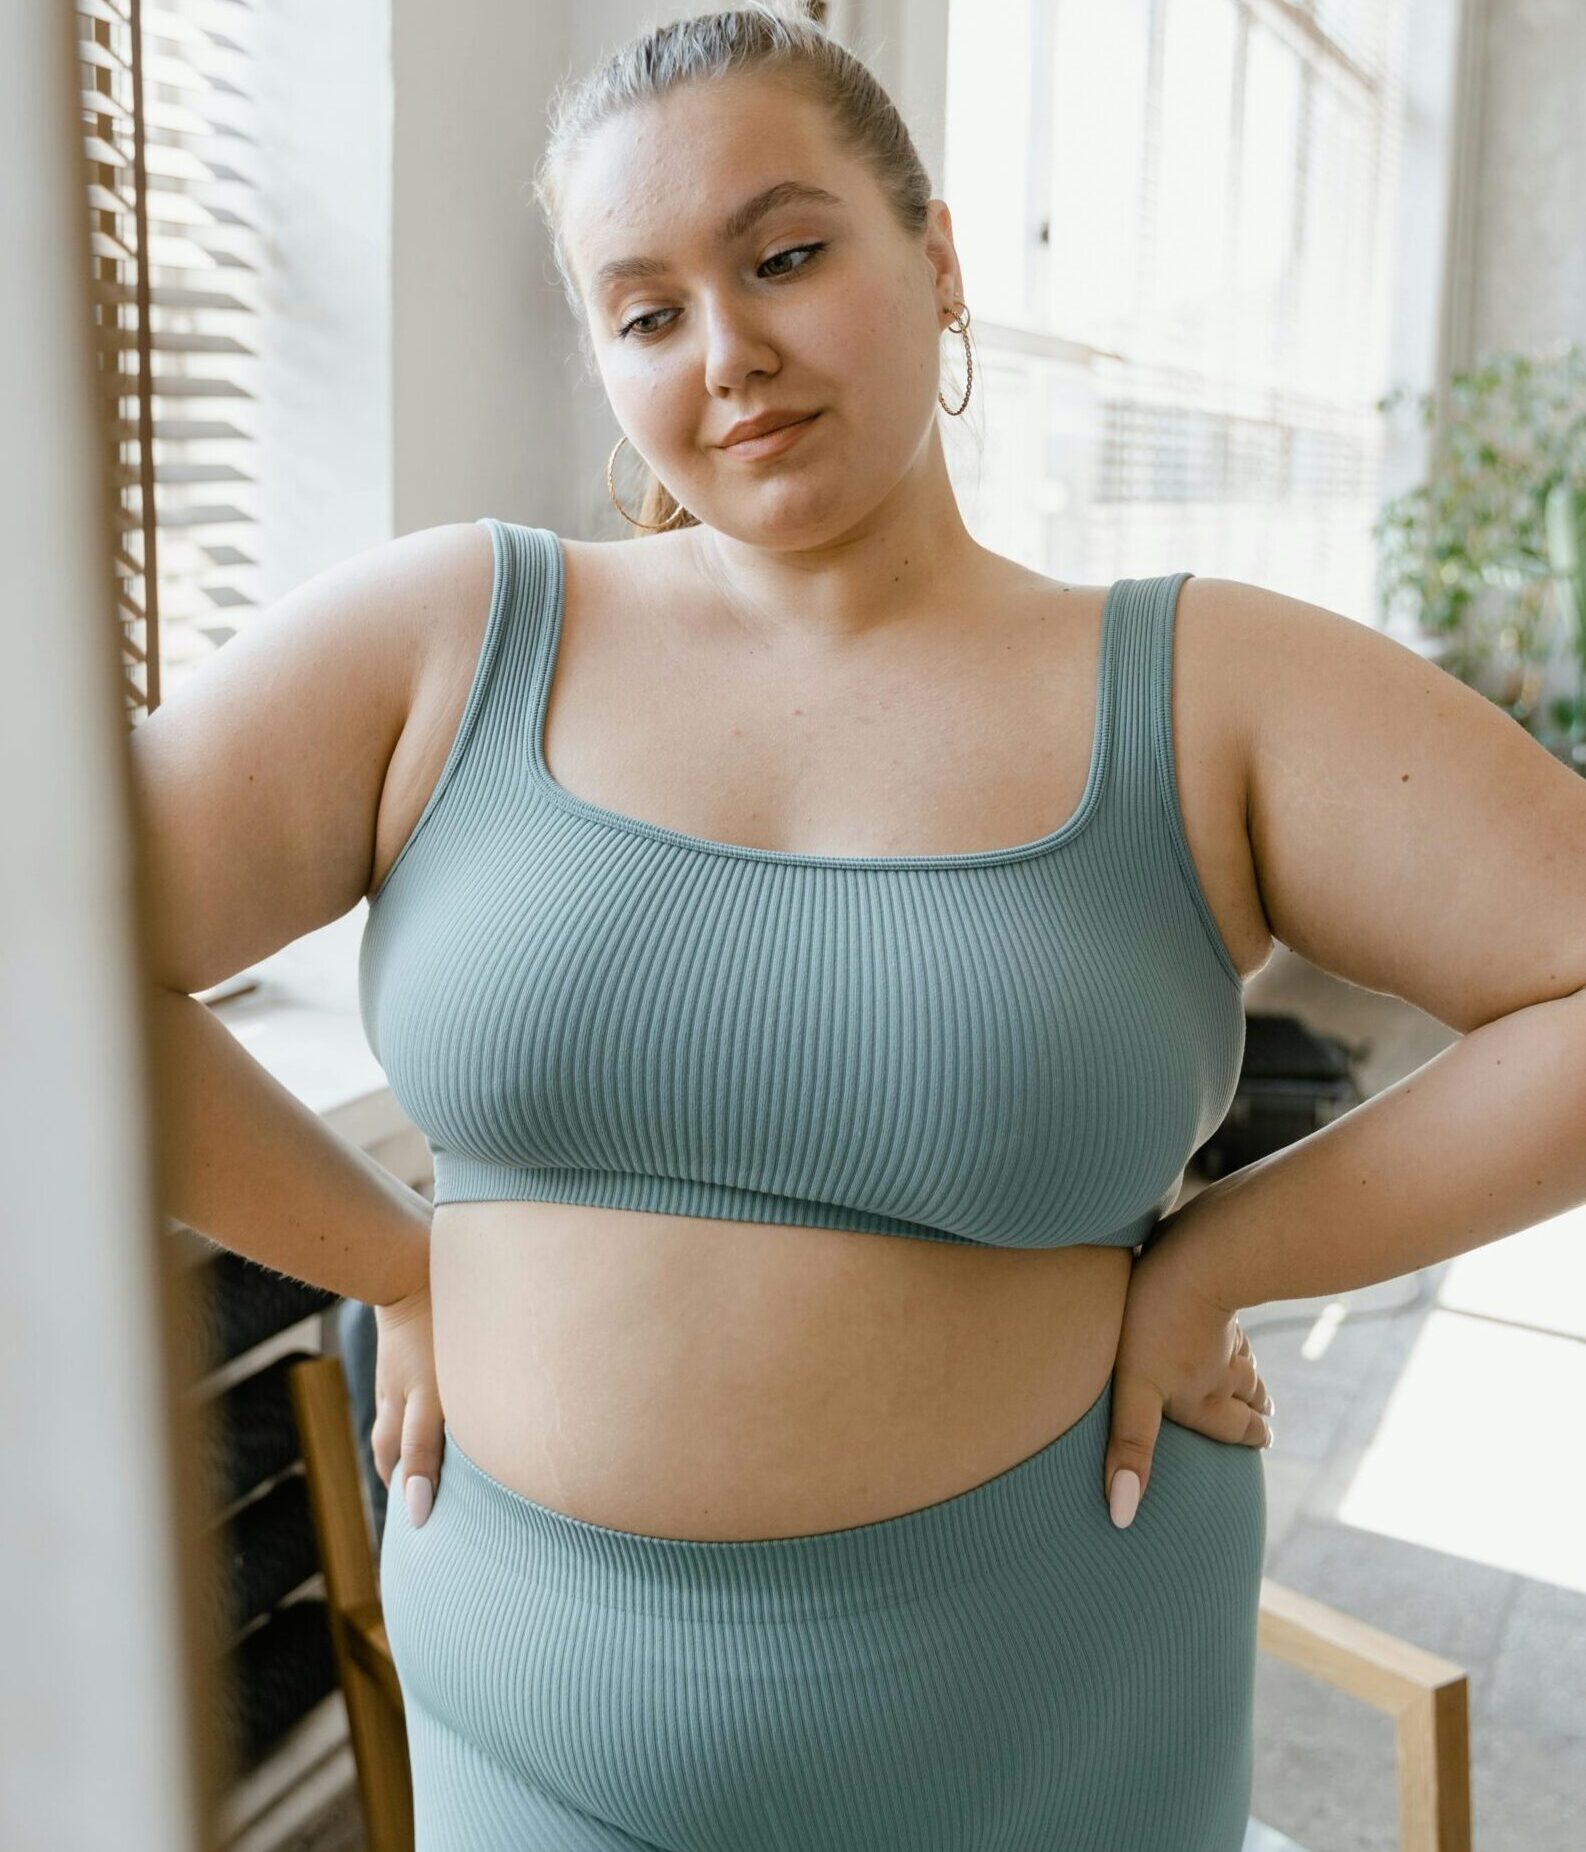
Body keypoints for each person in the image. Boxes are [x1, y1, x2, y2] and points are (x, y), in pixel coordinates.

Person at [147, 6, 1507, 1848]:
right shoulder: (445, 636)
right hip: (538, 1729)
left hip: (1050, 1709)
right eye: (645, 312)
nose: (731, 353)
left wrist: (1222, 1257)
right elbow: (41, 959)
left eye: (786, 254)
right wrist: (393, 1259)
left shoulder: (1196, 686)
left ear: (935, 259)